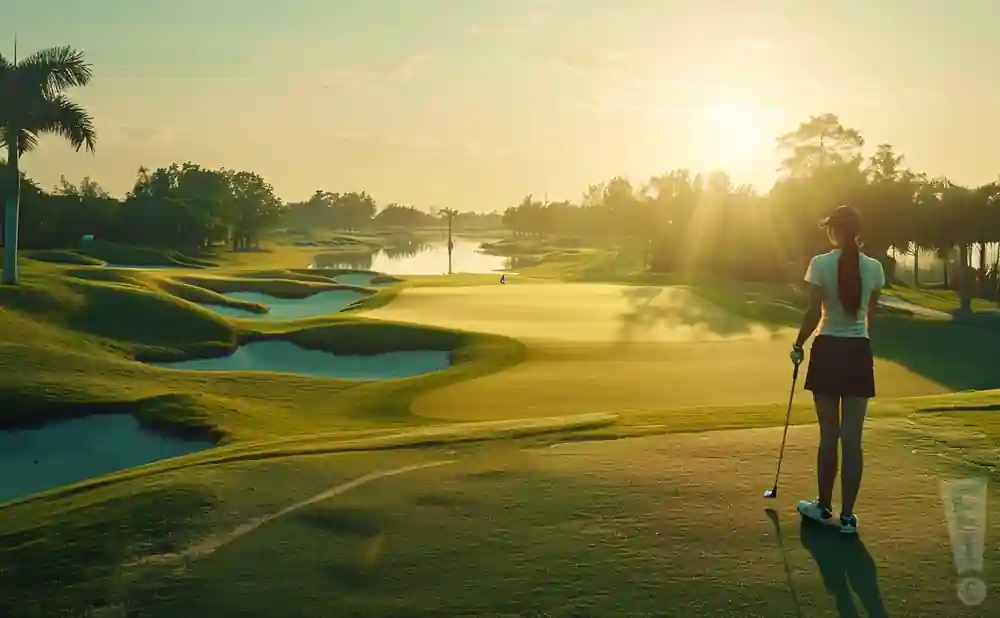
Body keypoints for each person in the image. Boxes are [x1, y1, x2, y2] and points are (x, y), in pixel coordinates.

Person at [789, 205, 885, 535]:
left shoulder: (820, 264)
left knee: (829, 435)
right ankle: (847, 518)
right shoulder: (874, 268)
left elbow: (813, 312)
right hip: (858, 352)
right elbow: (869, 314)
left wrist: (798, 343)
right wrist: (861, 342)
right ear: (856, 231)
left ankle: (824, 507)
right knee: (852, 438)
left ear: (833, 230)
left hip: (828, 350)